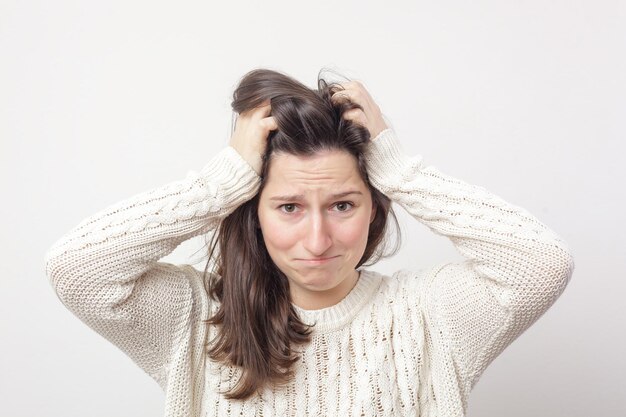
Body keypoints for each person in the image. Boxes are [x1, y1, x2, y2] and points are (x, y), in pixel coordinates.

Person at [44, 68, 575, 417]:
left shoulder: (429, 314)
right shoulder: (198, 316)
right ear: (254, 213)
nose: (318, 239)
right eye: (289, 207)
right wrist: (216, 186)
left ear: (374, 206)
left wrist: (397, 167)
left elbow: (540, 263)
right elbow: (77, 269)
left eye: (343, 205)